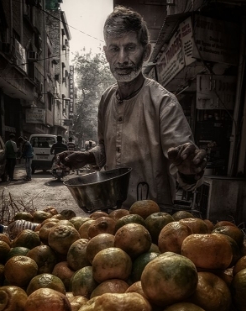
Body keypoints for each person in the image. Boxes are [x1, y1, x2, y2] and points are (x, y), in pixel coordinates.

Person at [58, 6, 207, 212]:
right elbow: (106, 148)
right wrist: (88, 157)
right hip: (111, 215)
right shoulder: (106, 99)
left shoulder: (164, 103)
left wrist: (189, 171)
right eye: (114, 49)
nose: (121, 59)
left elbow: (185, 171)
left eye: (130, 48)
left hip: (153, 221)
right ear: (105, 53)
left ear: (145, 52)